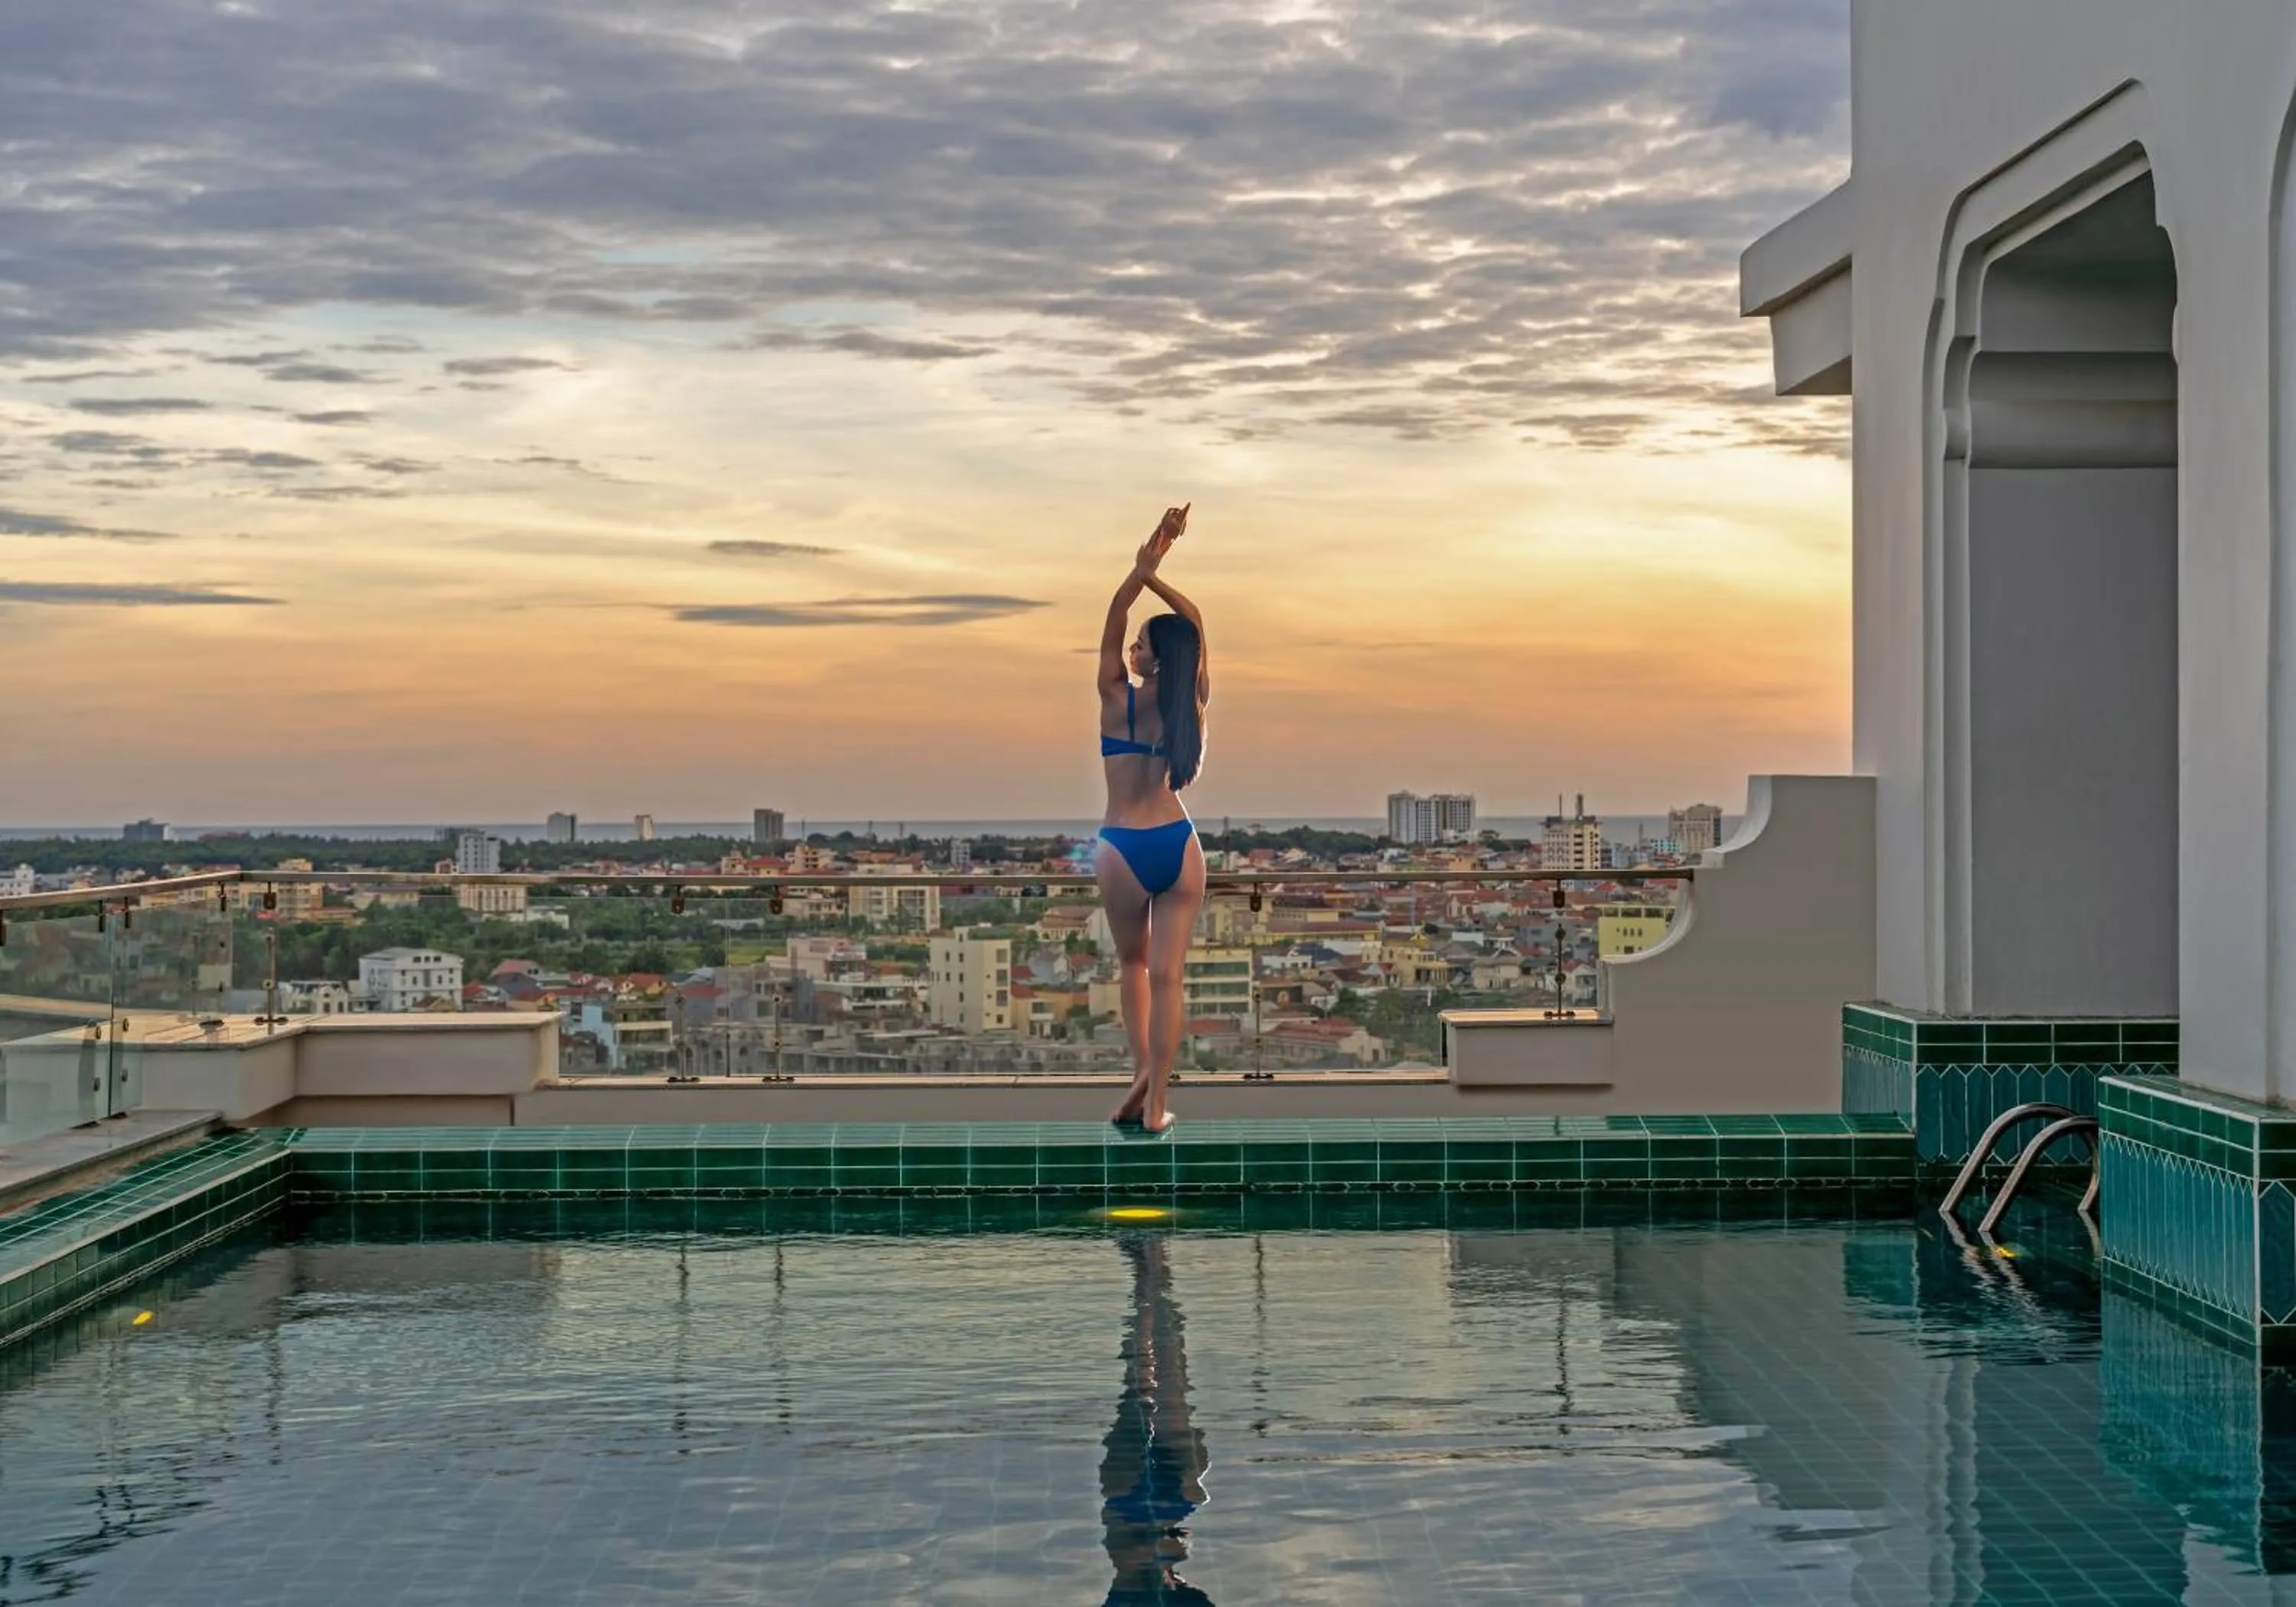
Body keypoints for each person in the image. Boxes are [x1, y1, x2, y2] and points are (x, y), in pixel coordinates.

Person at [1097, 504, 1210, 1134]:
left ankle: (1141, 1074)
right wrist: (1159, 569)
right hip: (1177, 842)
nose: (1132, 645)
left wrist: (1143, 568)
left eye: (1142, 643)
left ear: (1147, 660)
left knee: (1134, 968)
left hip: (1121, 847)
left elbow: (1113, 619)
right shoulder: (1190, 701)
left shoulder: (1115, 697)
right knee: (1170, 977)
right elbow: (1193, 624)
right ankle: (1156, 1102)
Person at [1099, 1234, 1214, 1605]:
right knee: (1147, 1382)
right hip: (1144, 1510)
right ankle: (1152, 1272)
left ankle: (1152, 1272)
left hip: (1147, 1509)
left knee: (1157, 1381)